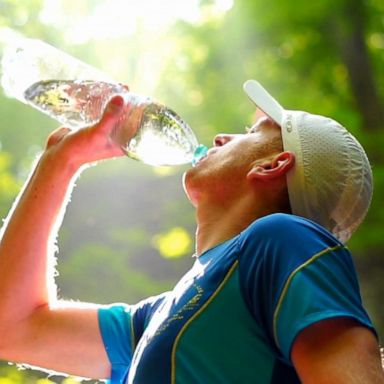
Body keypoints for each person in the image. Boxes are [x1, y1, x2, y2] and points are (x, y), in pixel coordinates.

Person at [0, 79, 382, 384]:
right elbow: (13, 326)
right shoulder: (161, 317)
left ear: (272, 165)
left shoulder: (285, 241)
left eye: (251, 132)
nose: (221, 138)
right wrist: (60, 161)